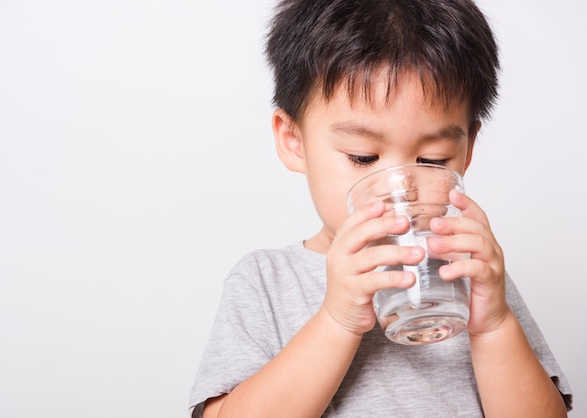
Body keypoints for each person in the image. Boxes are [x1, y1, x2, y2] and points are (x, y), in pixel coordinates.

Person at [189, 0, 573, 416]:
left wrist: (495, 325)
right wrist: (337, 320)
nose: (400, 190)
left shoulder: (469, 271)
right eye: (363, 157)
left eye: (432, 160)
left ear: (468, 149)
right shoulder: (266, 281)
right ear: (293, 140)